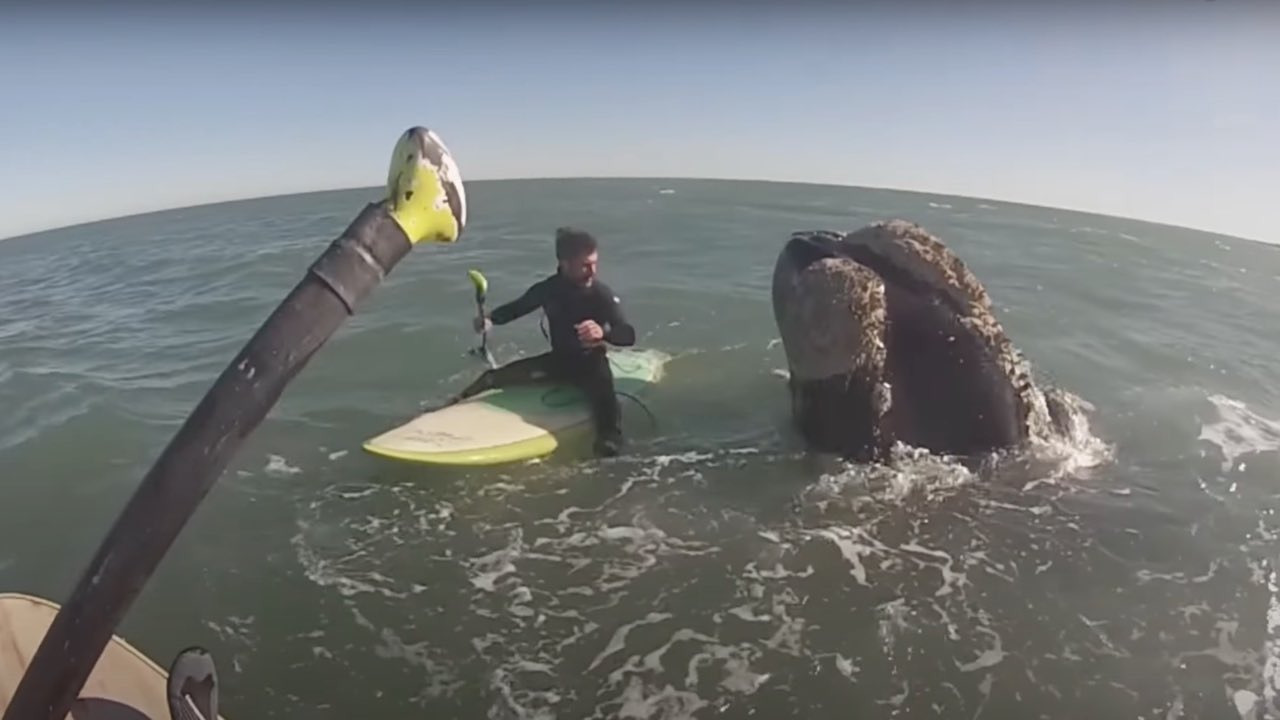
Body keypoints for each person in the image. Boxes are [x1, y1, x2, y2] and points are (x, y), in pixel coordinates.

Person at [450, 226, 636, 457]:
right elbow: (518, 307)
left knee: (608, 431)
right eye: (585, 265)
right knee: (490, 379)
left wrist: (603, 334)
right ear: (565, 263)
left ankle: (610, 464)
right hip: (558, 363)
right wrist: (490, 320)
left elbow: (627, 334)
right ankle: (450, 406)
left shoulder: (600, 294)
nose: (592, 271)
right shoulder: (549, 289)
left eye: (595, 263)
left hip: (591, 367)